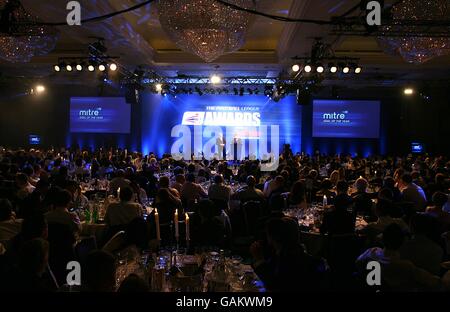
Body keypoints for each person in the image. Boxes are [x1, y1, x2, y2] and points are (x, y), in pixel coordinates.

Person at [356, 223, 441, 291]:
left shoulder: (372, 252)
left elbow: (358, 263)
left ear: (382, 239)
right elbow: (432, 282)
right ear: (403, 242)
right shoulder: (406, 266)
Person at [250, 217, 324, 291]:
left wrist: (259, 260)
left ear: (272, 238)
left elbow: (272, 285)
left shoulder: (284, 262)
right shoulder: (314, 261)